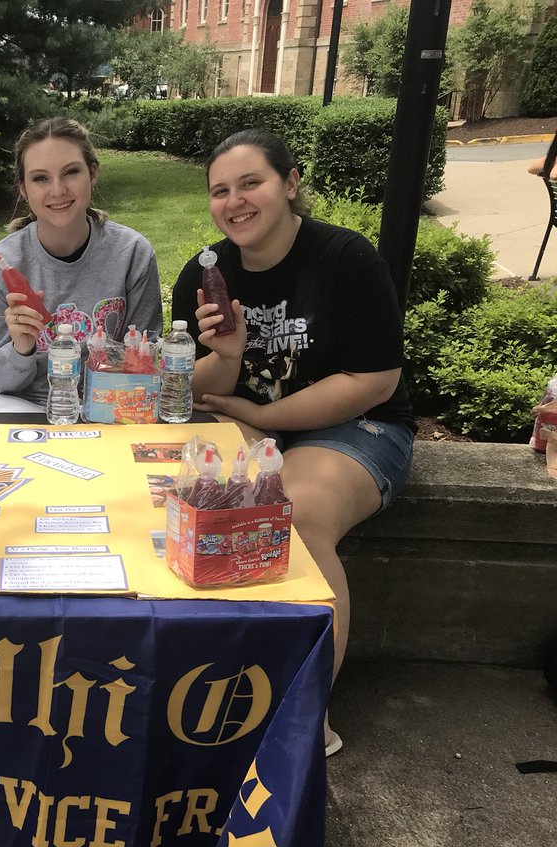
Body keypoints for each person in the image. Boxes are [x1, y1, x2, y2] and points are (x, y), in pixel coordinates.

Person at [172, 128, 415, 757]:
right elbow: (192, 387)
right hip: (252, 419)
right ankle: (211, 685)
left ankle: (309, 719)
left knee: (295, 519)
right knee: (184, 495)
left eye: (251, 183)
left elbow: (374, 379)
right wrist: (226, 356)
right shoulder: (205, 272)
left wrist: (262, 410)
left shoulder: (343, 258)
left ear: (290, 183)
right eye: (220, 191)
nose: (235, 202)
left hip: (355, 427)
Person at [0, 116, 162, 414]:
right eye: (40, 178)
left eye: (70, 172)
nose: (57, 190)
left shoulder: (132, 254)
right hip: (24, 407)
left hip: (110, 407)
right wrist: (21, 347)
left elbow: (144, 363)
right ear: (23, 188)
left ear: (92, 174)